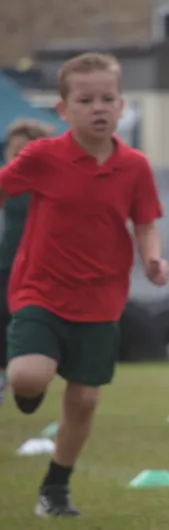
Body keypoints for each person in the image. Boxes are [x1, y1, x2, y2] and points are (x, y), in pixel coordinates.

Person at [0, 52, 169, 517]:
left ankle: (55, 487)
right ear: (63, 109)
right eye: (86, 99)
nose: (99, 108)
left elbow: (145, 224)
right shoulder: (42, 157)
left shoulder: (135, 167)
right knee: (27, 375)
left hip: (101, 300)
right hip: (40, 290)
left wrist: (153, 259)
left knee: (85, 399)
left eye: (107, 99)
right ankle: (29, 391)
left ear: (121, 105)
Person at [0, 120, 55, 406]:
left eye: (22, 150)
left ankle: (31, 381)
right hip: (6, 264)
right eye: (11, 150)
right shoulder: (6, 181)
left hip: (41, 270)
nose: (14, 156)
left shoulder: (49, 184)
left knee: (29, 326)